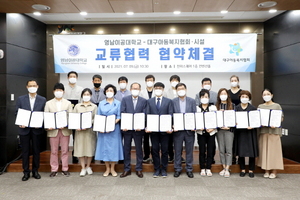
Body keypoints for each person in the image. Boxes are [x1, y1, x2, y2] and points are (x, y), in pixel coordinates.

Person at [15, 80, 46, 181]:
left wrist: (40, 124)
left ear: (37, 86)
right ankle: (26, 172)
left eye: (34, 85)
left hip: (36, 129)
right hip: (25, 129)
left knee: (36, 151)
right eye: (30, 85)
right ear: (26, 87)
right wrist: (20, 122)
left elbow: (44, 114)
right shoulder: (21, 99)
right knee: (25, 151)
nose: (32, 87)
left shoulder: (42, 99)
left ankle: (35, 171)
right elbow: (17, 113)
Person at [44, 83, 73, 178]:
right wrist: (48, 126)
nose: (58, 92)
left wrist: (66, 124)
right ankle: (54, 169)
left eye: (60, 90)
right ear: (53, 92)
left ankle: (65, 168)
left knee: (65, 150)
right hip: (53, 130)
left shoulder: (68, 103)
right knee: (54, 151)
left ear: (63, 92)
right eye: (57, 90)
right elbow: (46, 116)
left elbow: (70, 116)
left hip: (65, 130)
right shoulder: (48, 103)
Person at [95, 84, 124, 177]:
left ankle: (113, 168)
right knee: (105, 149)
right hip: (103, 130)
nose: (109, 92)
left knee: (114, 149)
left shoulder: (118, 103)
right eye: (107, 91)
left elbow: (119, 116)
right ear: (105, 92)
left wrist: (112, 124)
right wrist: (102, 127)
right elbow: (98, 116)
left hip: (114, 129)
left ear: (114, 92)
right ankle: (107, 168)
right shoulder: (101, 103)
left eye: (111, 90)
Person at [146, 82, 173, 178]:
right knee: (154, 149)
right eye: (156, 88)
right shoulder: (149, 101)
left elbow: (170, 114)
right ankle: (157, 168)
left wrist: (170, 127)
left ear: (163, 90)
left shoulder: (168, 101)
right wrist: (147, 127)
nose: (158, 89)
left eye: (160, 88)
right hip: (153, 131)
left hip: (165, 131)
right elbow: (147, 115)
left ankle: (164, 169)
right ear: (154, 89)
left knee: (165, 150)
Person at [120, 82, 147, 178]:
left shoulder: (144, 101)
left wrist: (141, 125)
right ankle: (127, 169)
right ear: (130, 89)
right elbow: (122, 112)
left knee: (139, 149)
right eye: (133, 88)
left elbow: (145, 114)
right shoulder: (125, 99)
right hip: (127, 129)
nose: (135, 90)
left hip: (138, 130)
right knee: (126, 149)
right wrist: (124, 124)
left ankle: (139, 169)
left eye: (137, 88)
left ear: (140, 90)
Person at [257, 88, 284, 179]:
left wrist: (276, 123)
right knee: (264, 151)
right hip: (264, 131)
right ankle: (266, 170)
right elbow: (257, 119)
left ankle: (274, 171)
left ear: (272, 95)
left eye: (268, 94)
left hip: (274, 132)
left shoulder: (277, 106)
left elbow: (281, 118)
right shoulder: (260, 106)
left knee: (274, 152)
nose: (266, 96)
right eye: (264, 95)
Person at [172, 83, 196, 178]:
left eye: (182, 88)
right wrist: (172, 125)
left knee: (189, 150)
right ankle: (177, 169)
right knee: (177, 151)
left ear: (186, 89)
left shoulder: (192, 101)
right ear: (176, 91)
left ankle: (189, 169)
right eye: (179, 89)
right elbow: (171, 114)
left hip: (189, 131)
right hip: (177, 130)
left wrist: (194, 125)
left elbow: (194, 114)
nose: (181, 90)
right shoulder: (173, 101)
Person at [73, 88, 97, 177]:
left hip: (89, 131)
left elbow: (96, 118)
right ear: (82, 96)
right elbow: (73, 118)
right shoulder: (77, 106)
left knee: (89, 149)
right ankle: (82, 167)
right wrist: (77, 126)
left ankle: (88, 166)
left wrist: (89, 123)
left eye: (88, 95)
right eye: (84, 94)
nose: (86, 96)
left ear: (91, 96)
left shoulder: (94, 106)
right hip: (79, 132)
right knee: (80, 149)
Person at [235, 90, 258, 178]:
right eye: (242, 97)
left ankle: (251, 169)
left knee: (251, 150)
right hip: (240, 132)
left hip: (250, 132)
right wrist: (235, 123)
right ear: (240, 98)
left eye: (246, 97)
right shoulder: (236, 108)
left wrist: (253, 126)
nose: (244, 98)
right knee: (241, 150)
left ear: (249, 98)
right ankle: (243, 169)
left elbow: (256, 121)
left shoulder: (253, 108)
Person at [196, 89, 217, 177]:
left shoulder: (213, 108)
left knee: (210, 150)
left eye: (206, 97)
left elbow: (217, 120)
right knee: (202, 151)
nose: (204, 98)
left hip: (211, 132)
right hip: (201, 133)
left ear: (209, 98)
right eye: (203, 97)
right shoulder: (196, 108)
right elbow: (194, 120)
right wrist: (198, 127)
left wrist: (213, 128)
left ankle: (208, 168)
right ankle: (202, 168)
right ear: (200, 98)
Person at [63, 71, 83, 163]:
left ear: (77, 78)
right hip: (65, 116)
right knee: (64, 137)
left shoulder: (81, 89)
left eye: (74, 76)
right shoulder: (63, 89)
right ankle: (63, 156)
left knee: (76, 137)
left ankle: (75, 155)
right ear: (68, 78)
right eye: (71, 76)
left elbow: (82, 103)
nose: (72, 77)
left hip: (76, 116)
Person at [216, 88, 235, 178]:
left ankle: (227, 168)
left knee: (229, 150)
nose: (223, 95)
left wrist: (230, 126)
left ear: (228, 95)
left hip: (229, 130)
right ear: (219, 96)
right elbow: (212, 119)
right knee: (221, 150)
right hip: (219, 131)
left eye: (225, 93)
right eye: (221, 93)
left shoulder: (233, 105)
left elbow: (235, 119)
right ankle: (223, 167)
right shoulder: (216, 106)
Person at [140, 74, 156, 163]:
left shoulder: (158, 91)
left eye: (151, 80)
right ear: (145, 82)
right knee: (145, 139)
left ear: (153, 81)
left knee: (154, 139)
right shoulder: (142, 92)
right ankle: (146, 156)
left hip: (154, 119)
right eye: (148, 80)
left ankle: (154, 156)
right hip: (144, 119)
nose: (149, 82)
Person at [165, 75, 180, 164]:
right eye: (173, 80)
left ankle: (179, 156)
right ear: (170, 82)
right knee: (169, 139)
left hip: (179, 118)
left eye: (176, 80)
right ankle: (170, 156)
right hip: (169, 117)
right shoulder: (166, 92)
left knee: (178, 138)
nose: (174, 82)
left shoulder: (181, 91)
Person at [228, 75, 242, 165]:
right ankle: (232, 157)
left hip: (240, 116)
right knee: (231, 138)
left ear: (238, 81)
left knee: (239, 137)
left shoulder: (241, 92)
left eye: (235, 80)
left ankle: (239, 156)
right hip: (230, 116)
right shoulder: (228, 92)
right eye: (232, 80)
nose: (234, 81)